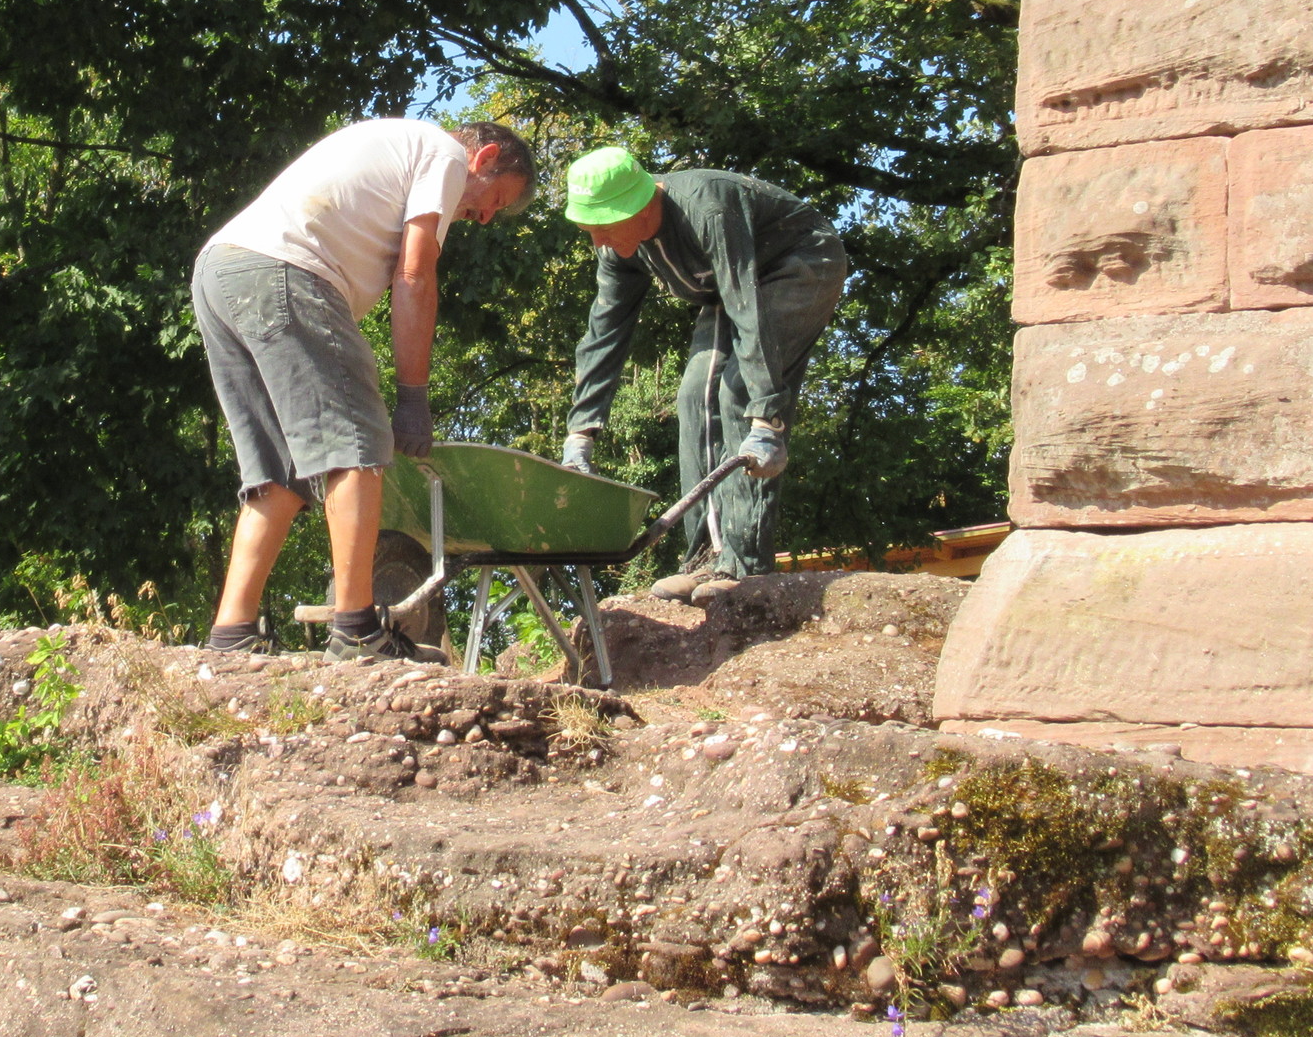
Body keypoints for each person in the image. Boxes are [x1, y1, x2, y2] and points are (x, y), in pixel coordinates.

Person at [191, 117, 535, 660]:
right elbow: (414, 275)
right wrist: (413, 396)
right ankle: (357, 631)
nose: (486, 217)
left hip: (221, 270)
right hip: (287, 268)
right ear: (485, 157)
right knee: (356, 441)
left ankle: (232, 632)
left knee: (277, 471)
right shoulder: (444, 155)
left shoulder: (400, 145)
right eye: (495, 198)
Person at [559, 145, 846, 601]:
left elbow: (745, 305)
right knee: (694, 395)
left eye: (603, 226)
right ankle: (705, 559)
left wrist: (766, 420)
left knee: (739, 392)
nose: (598, 242)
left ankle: (744, 566)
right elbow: (604, 331)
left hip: (798, 264)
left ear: (637, 206)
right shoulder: (619, 248)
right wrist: (580, 434)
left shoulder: (708, 209)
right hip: (729, 288)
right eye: (589, 229)